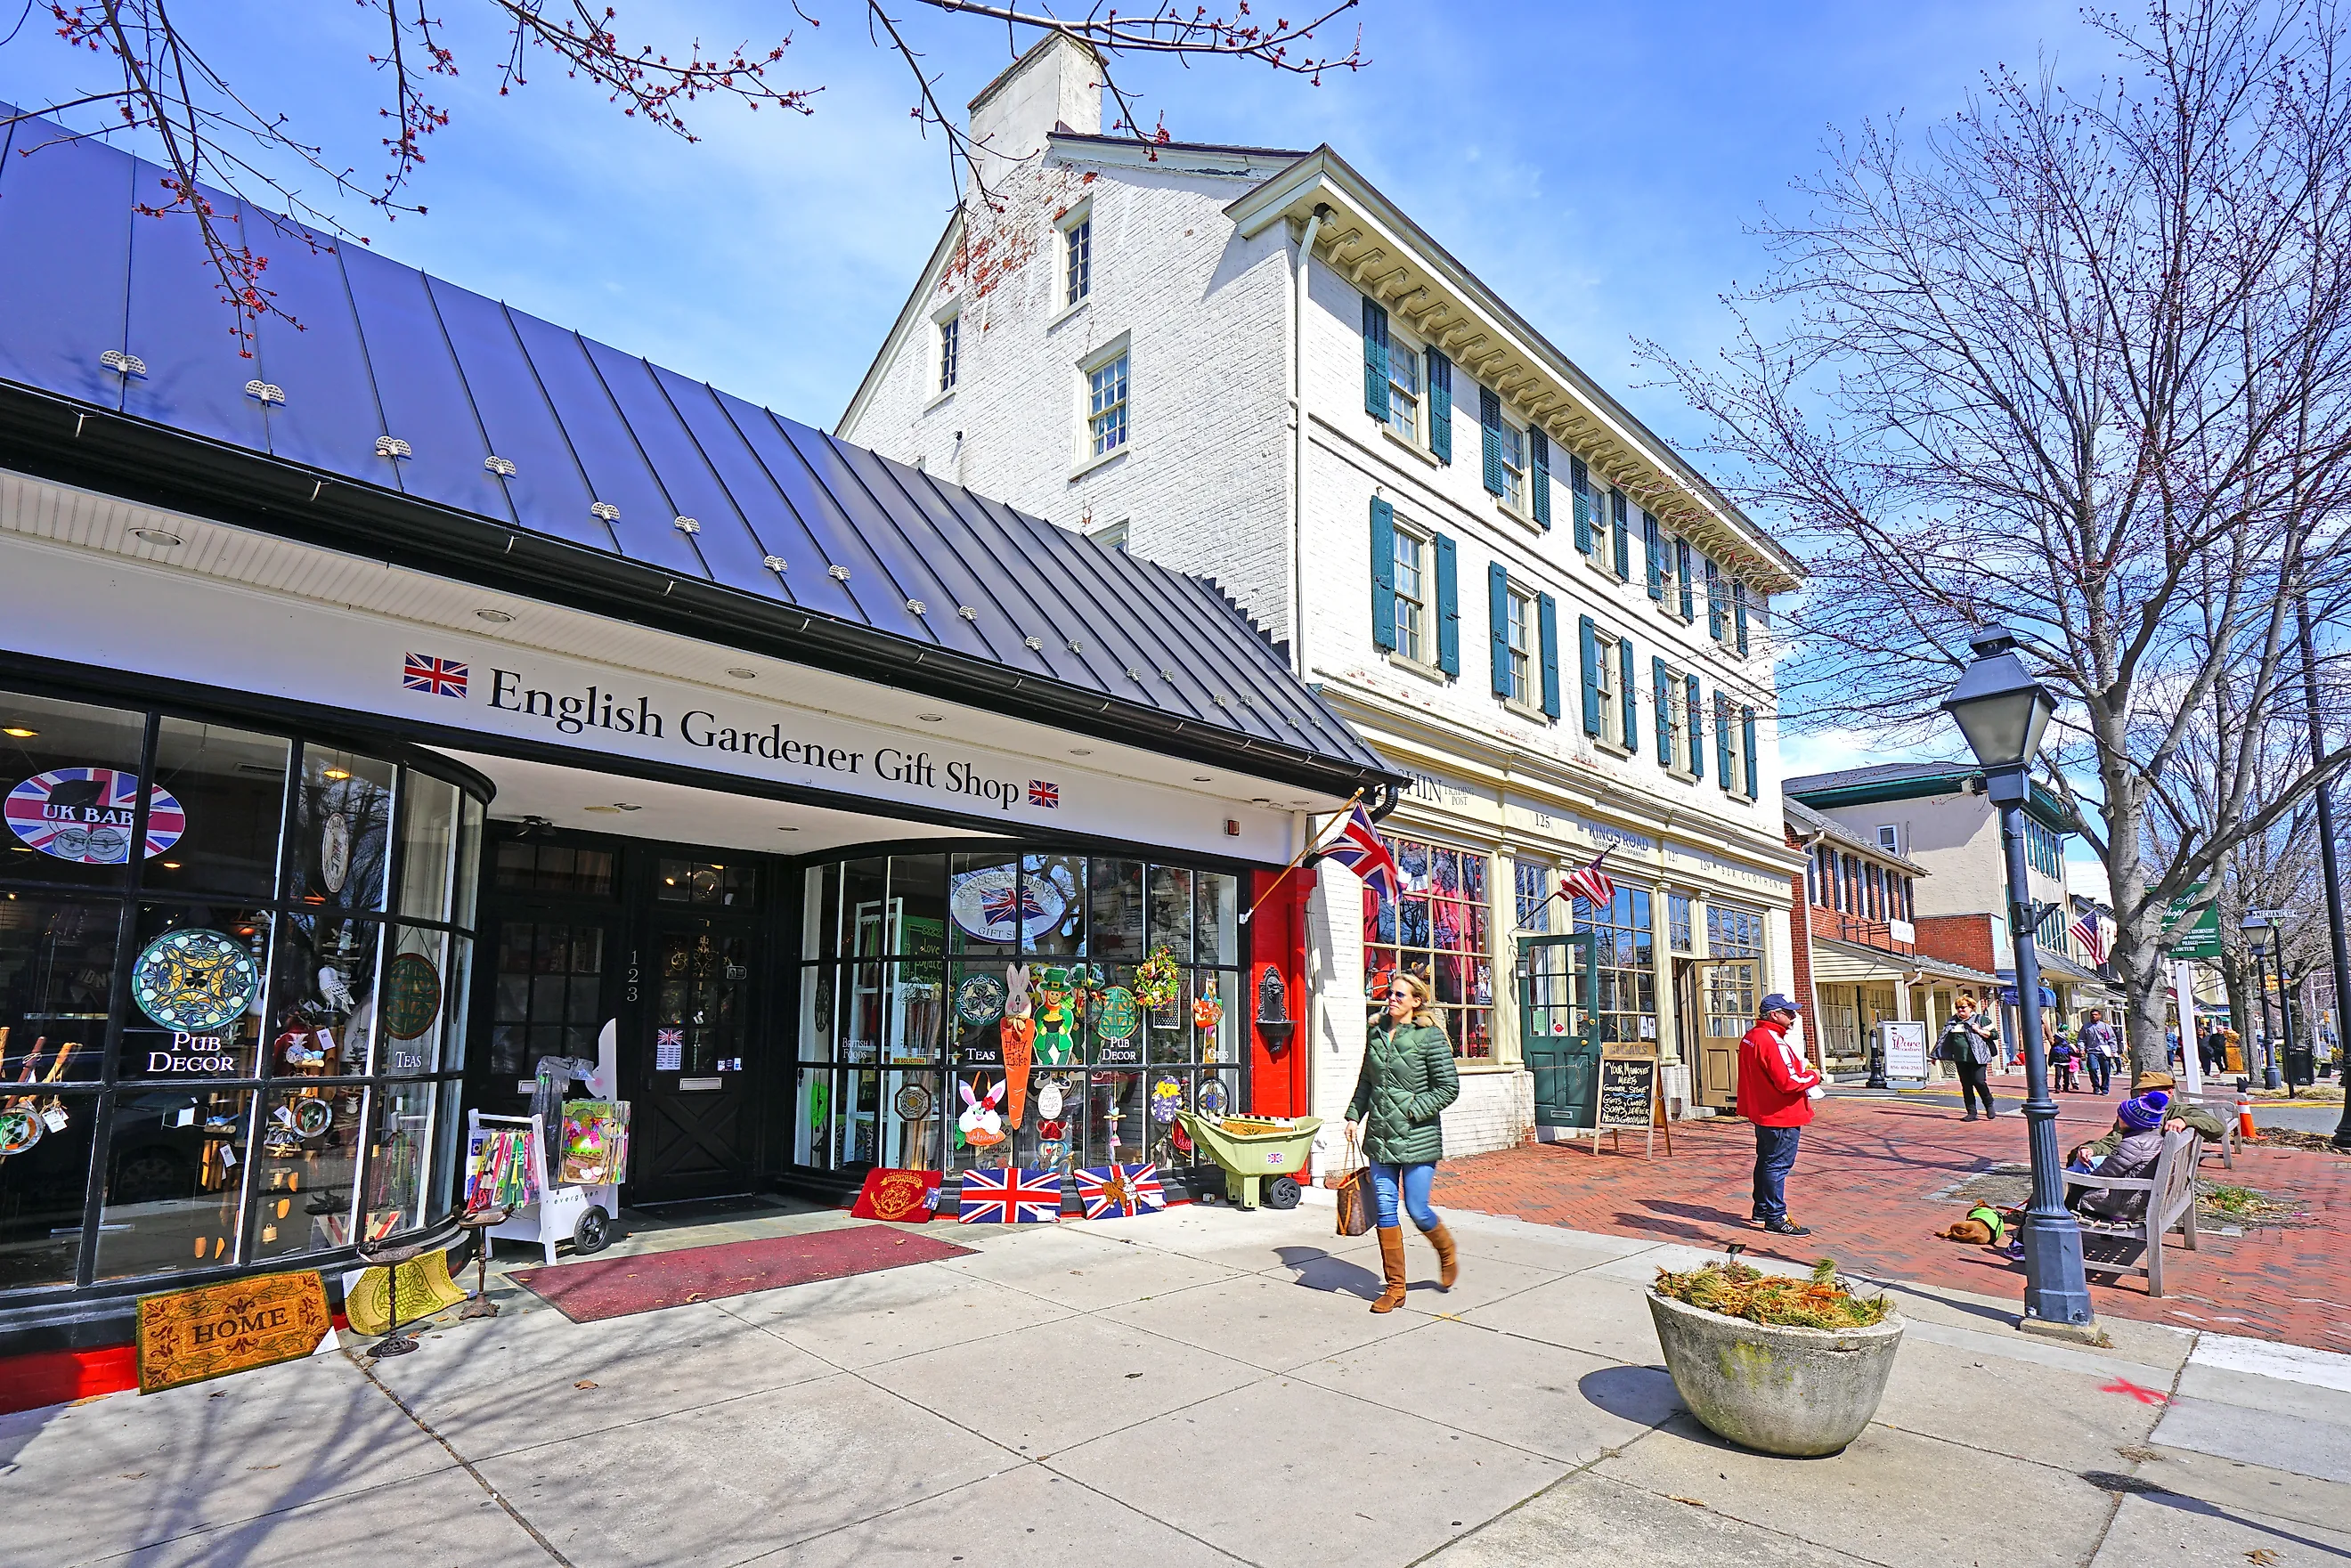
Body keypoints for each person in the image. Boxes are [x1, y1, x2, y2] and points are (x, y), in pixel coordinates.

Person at [1345, 969, 1461, 1313]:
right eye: (1390, 994)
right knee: (1384, 1209)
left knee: (1417, 1209)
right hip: (1381, 1137)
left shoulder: (1430, 1039)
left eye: (1399, 995)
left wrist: (1412, 1109)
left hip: (1417, 1137)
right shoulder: (1377, 1033)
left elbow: (1448, 1088)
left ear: (1416, 1002)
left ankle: (1445, 1250)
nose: (1391, 999)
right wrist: (1354, 1115)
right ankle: (1395, 1288)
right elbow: (1367, 1081)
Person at [1738, 992, 1825, 1236]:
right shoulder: (1771, 1040)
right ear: (1774, 1015)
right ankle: (1775, 1217)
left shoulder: (1752, 1037)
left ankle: (1763, 1209)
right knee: (1777, 1164)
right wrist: (1813, 1075)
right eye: (1788, 1012)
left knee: (1766, 1160)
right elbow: (1788, 1081)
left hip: (1763, 1111)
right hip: (1781, 1112)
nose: (1793, 1016)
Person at [2075, 1069, 2227, 1161]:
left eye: (2151, 1089)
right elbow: (2113, 1140)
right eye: (2142, 1090)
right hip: (2128, 1162)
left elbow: (2218, 1128)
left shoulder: (2181, 1111)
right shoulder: (2134, 1112)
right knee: (2078, 1153)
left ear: (2169, 1092)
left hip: (2145, 1172)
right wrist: (2092, 1149)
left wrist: (2185, 1120)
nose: (2144, 1094)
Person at [2065, 1092, 2170, 1221]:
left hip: (2122, 1206)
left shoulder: (2133, 1144)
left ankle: (2060, 1217)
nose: (2117, 1118)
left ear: (2130, 1122)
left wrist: (2073, 1177)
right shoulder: (2154, 1138)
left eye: (2121, 1116)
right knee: (2080, 1166)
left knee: (2070, 1178)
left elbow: (2101, 1176)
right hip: (2139, 1196)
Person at [1939, 992, 2002, 1119]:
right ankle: (1971, 1112)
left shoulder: (1980, 1019)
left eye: (1963, 1007)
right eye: (1958, 1008)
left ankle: (1989, 1104)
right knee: (1966, 1085)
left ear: (1971, 1007)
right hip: (1960, 1058)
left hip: (1978, 1057)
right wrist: (1936, 1055)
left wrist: (1979, 1030)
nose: (1960, 1010)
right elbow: (1943, 1039)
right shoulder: (1953, 1022)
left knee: (1979, 1081)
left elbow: (1995, 1035)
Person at [2081, 1008, 2119, 1095]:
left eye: (2095, 1015)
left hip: (2104, 1052)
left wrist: (2113, 1051)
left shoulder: (2106, 1026)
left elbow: (2112, 1039)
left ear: (2099, 1016)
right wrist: (2082, 1048)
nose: (2093, 1016)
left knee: (2106, 1071)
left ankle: (2105, 1088)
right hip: (2092, 1051)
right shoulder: (2086, 1027)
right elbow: (2081, 1039)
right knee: (2092, 1069)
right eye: (2092, 1015)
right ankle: (2096, 1086)